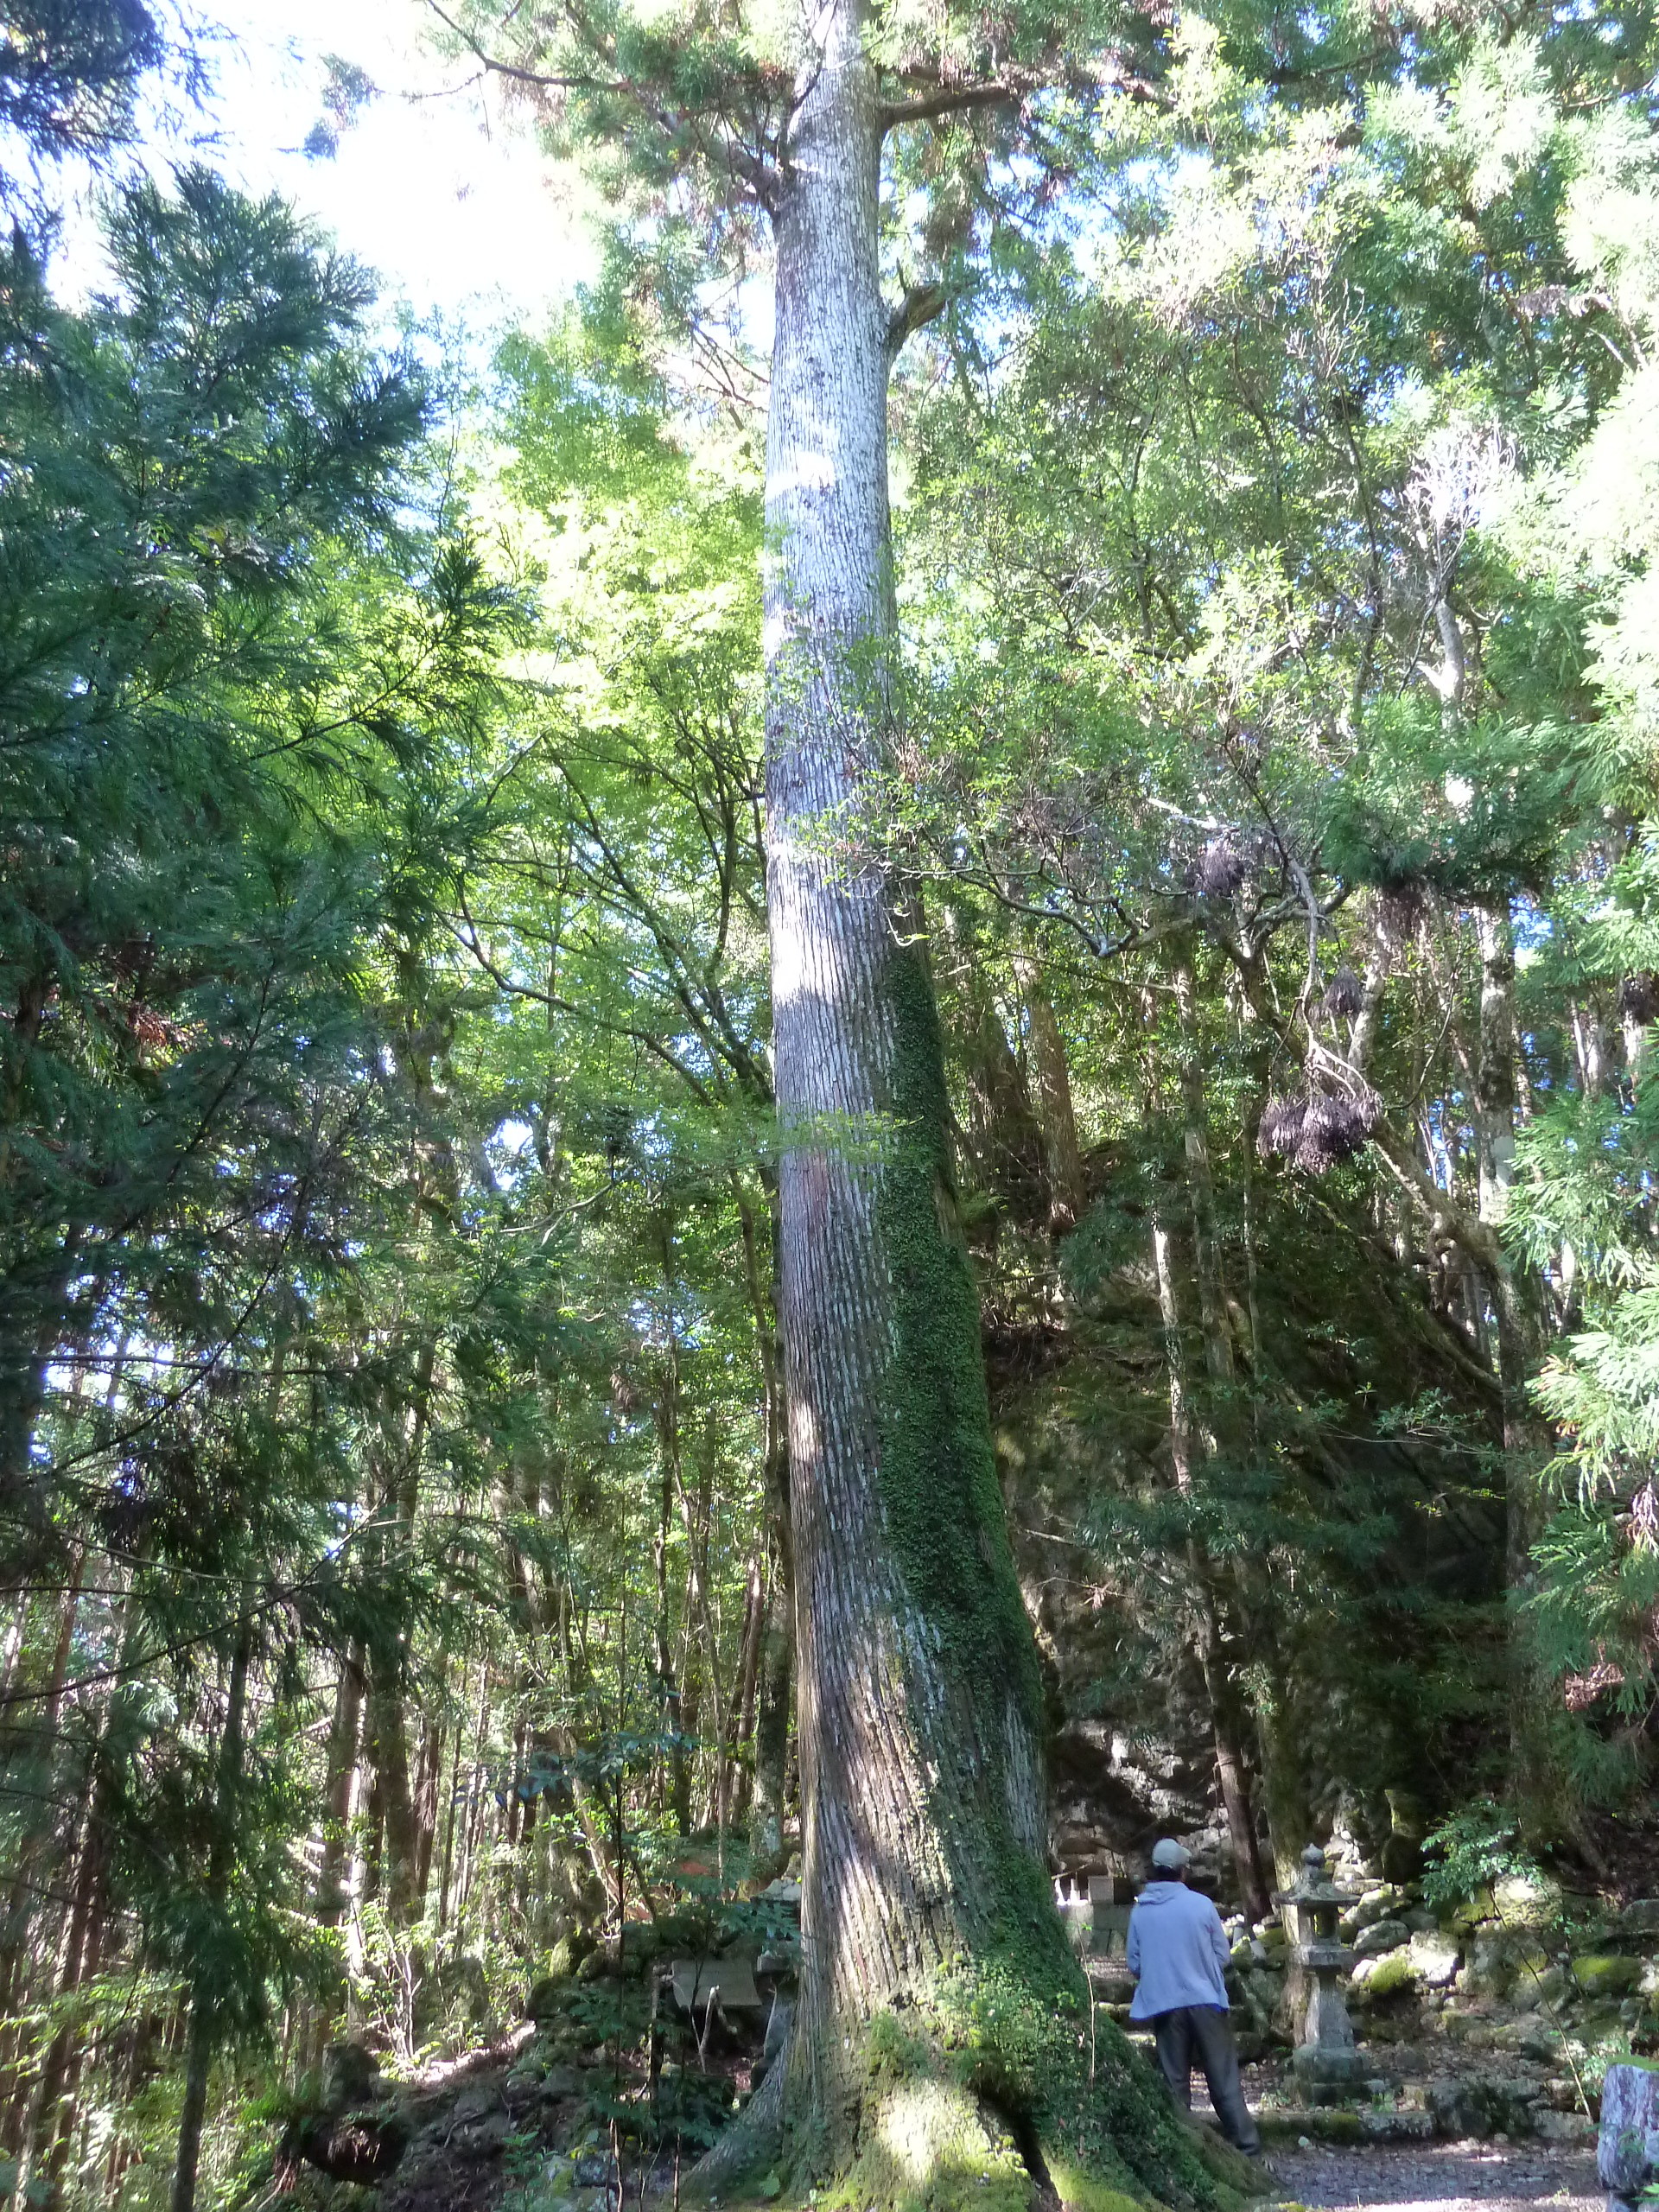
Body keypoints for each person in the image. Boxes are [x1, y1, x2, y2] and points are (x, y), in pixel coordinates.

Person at [1125, 1838, 1261, 2156]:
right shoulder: (1201, 1905)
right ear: (1183, 1871)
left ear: (1155, 1871)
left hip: (1165, 2005)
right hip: (1205, 2001)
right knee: (1224, 2081)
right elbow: (1223, 1956)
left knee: (1174, 2085)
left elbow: (1134, 1963)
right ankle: (1248, 2149)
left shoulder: (1140, 1912)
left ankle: (1183, 2152)